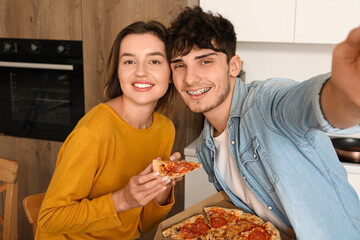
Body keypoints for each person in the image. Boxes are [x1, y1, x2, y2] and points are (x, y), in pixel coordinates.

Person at [167, 6, 360, 239]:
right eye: (179, 65)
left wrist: (346, 94)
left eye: (205, 61)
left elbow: (311, 103)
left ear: (234, 66)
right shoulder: (205, 149)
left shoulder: (266, 102)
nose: (189, 78)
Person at [36, 21, 181, 240]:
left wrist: (162, 187)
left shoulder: (165, 129)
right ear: (117, 72)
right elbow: (49, 218)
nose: (141, 72)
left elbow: (144, 225)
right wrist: (122, 199)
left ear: (171, 74)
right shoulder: (93, 133)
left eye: (154, 61)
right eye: (129, 61)